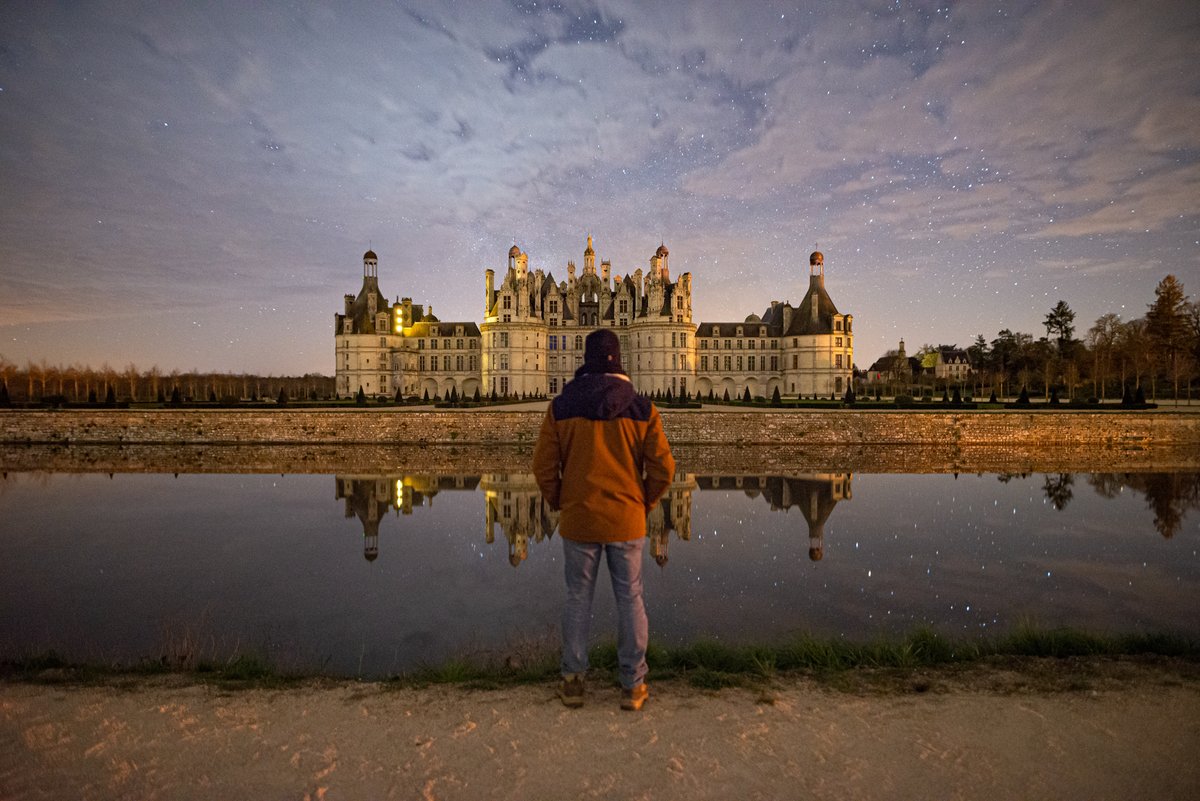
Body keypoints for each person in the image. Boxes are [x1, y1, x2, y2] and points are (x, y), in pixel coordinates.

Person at [532, 329, 675, 711]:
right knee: (631, 598)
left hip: (579, 521)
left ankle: (574, 680)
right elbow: (663, 469)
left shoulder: (561, 407)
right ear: (619, 358)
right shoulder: (642, 409)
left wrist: (562, 501)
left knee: (578, 599)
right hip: (626, 522)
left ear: (587, 359)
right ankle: (633, 684)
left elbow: (543, 467)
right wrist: (641, 503)